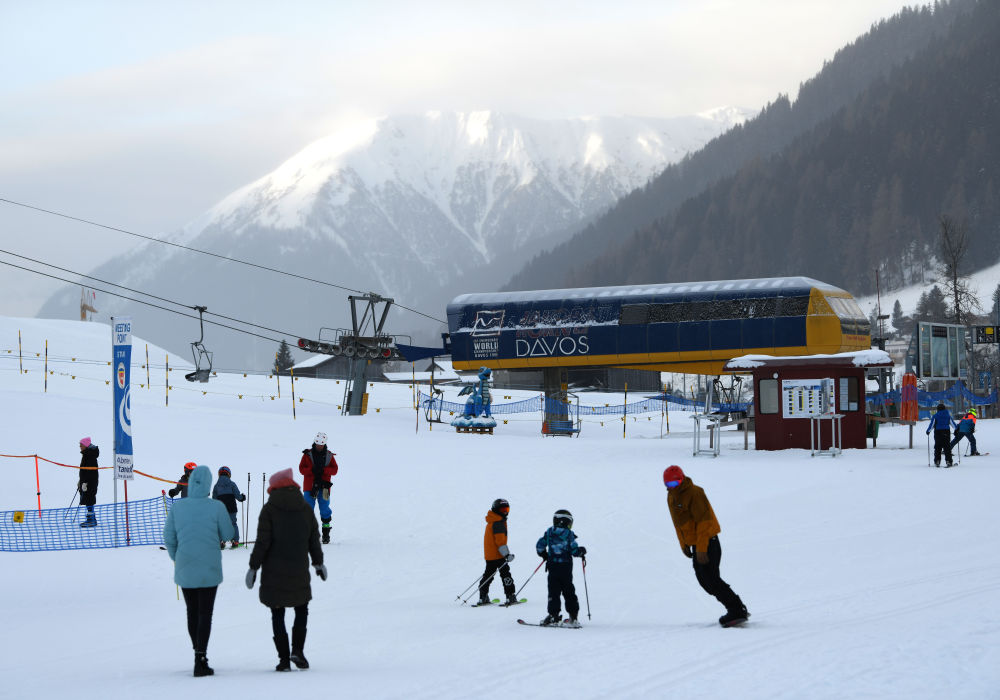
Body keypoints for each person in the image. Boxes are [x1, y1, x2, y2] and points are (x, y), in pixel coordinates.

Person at [246, 468, 326, 672]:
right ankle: (297, 651)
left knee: (277, 612)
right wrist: (318, 563)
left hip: (274, 572)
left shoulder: (269, 510)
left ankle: (283, 659)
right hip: (299, 569)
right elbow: (313, 539)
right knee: (301, 609)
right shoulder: (305, 508)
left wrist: (253, 567)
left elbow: (262, 542)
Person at [162, 465, 235, 677]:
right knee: (205, 613)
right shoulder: (216, 507)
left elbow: (169, 538)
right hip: (209, 568)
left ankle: (197, 652)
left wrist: (177, 557)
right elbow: (228, 534)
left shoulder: (178, 507)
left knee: (192, 612)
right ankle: (201, 657)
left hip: (185, 567)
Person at [663, 465, 749, 627]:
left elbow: (704, 522)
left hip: (708, 541)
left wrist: (702, 549)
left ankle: (737, 609)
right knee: (705, 581)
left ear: (682, 479)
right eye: (669, 484)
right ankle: (735, 608)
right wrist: (684, 544)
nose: (673, 487)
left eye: (676, 483)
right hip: (696, 544)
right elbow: (678, 524)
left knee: (711, 579)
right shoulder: (672, 497)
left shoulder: (695, 493)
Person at [535, 509, 586, 627]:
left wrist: (544, 554)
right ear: (565, 521)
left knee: (553, 591)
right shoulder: (569, 534)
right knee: (568, 590)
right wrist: (581, 551)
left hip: (553, 567)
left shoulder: (549, 532)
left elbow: (539, 546)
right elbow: (574, 551)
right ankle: (573, 616)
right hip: (566, 568)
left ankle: (554, 615)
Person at [298, 432, 338, 544]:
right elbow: (301, 469)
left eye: (321, 444)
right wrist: (311, 470)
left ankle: (326, 534)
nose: (319, 446)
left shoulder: (329, 456)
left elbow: (335, 470)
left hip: (324, 487)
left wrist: (324, 470)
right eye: (317, 444)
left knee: (325, 509)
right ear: (314, 443)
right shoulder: (307, 455)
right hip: (309, 487)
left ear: (324, 444)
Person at [478, 498, 518, 606]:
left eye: (507, 509)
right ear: (496, 510)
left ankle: (483, 596)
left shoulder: (493, 521)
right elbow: (500, 542)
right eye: (503, 509)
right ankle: (510, 595)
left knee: (488, 575)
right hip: (498, 555)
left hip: (490, 555)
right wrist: (506, 555)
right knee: (506, 575)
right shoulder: (498, 523)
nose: (505, 512)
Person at [212, 466, 246, 549]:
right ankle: (235, 541)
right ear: (229, 474)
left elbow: (214, 499)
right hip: (232, 508)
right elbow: (238, 496)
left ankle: (221, 541)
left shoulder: (216, 486)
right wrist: (242, 497)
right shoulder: (232, 484)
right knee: (233, 523)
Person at [77, 437, 99, 528]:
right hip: (87, 482)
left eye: (81, 445)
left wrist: (85, 482)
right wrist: (81, 481)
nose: (80, 446)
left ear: (86, 445)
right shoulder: (87, 454)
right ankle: (91, 519)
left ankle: (91, 520)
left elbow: (90, 472)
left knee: (89, 499)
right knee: (87, 499)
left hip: (90, 482)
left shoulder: (89, 455)